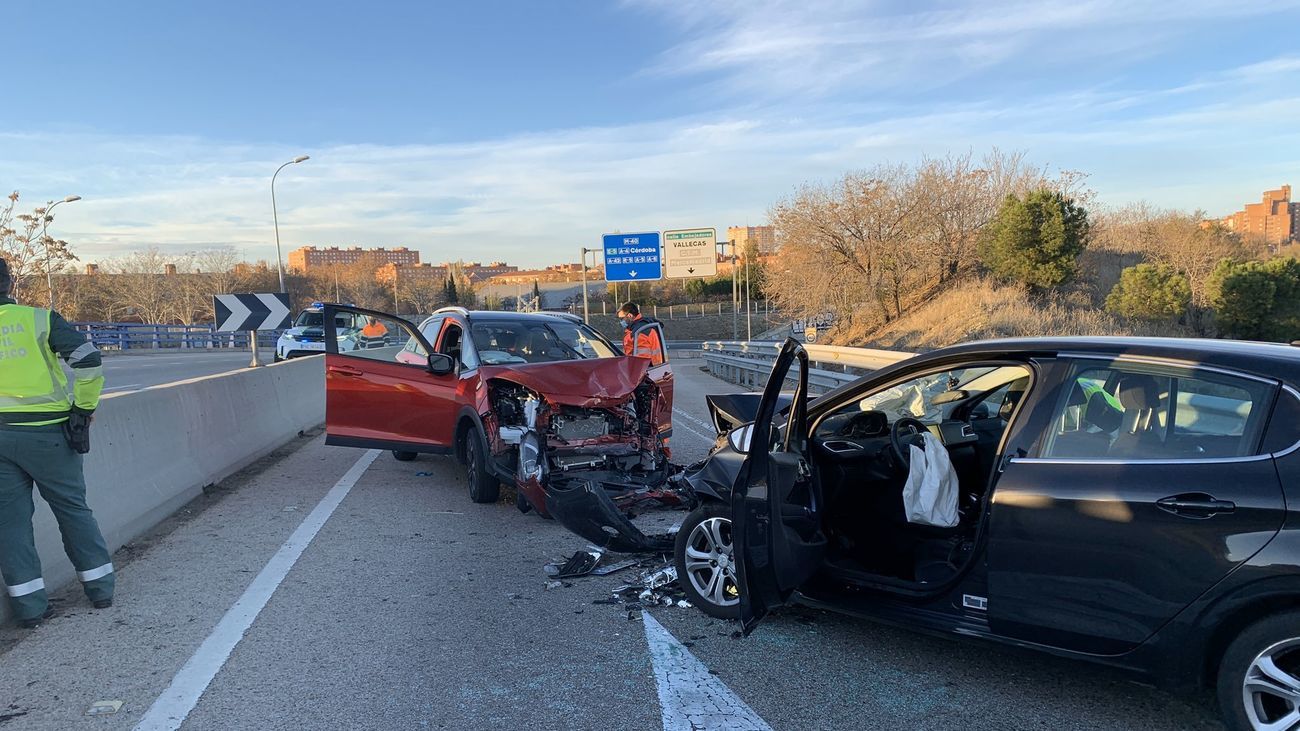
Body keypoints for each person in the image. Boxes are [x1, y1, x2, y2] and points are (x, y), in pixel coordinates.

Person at [0, 257, 112, 628]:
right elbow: (88, 360)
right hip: (48, 434)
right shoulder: (38, 319)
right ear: (10, 283)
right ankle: (100, 590)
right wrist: (83, 408)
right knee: (72, 509)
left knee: (10, 524)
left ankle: (30, 609)